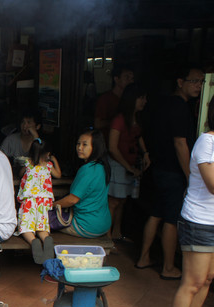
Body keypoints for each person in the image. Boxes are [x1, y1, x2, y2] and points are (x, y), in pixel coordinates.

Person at [135, 66, 205, 279]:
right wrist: (190, 176)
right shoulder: (179, 107)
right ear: (180, 81)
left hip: (159, 168)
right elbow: (180, 144)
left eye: (201, 82)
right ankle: (168, 267)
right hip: (173, 172)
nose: (198, 86)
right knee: (171, 219)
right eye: (194, 81)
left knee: (156, 214)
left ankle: (143, 257)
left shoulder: (164, 103)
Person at [162, 96, 214, 307]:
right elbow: (212, 184)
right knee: (192, 282)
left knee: (207, 279)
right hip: (199, 221)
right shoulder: (207, 142)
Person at [107, 83, 151, 241]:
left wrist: (145, 153)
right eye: (142, 98)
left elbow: (138, 137)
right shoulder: (119, 119)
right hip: (118, 164)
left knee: (123, 201)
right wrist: (128, 167)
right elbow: (112, 148)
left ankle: (117, 233)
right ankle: (108, 236)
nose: (144, 101)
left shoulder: (136, 118)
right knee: (113, 202)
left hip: (129, 164)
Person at [54, 129, 111, 238]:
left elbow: (72, 199)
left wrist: (51, 205)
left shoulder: (88, 169)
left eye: (85, 145)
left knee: (41, 219)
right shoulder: (103, 166)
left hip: (86, 226)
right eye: (78, 144)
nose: (80, 148)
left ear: (95, 147)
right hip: (104, 224)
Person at [17, 138, 62, 263]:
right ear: (47, 153)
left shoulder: (28, 164)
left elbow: (21, 174)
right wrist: (54, 160)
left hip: (29, 201)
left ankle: (33, 241)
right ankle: (45, 238)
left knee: (26, 226)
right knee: (41, 226)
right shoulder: (48, 165)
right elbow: (58, 175)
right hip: (44, 202)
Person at [94, 64, 135, 136]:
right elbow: (98, 124)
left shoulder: (131, 99)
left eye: (132, 78)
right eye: (126, 77)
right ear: (116, 79)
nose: (130, 81)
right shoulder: (105, 99)